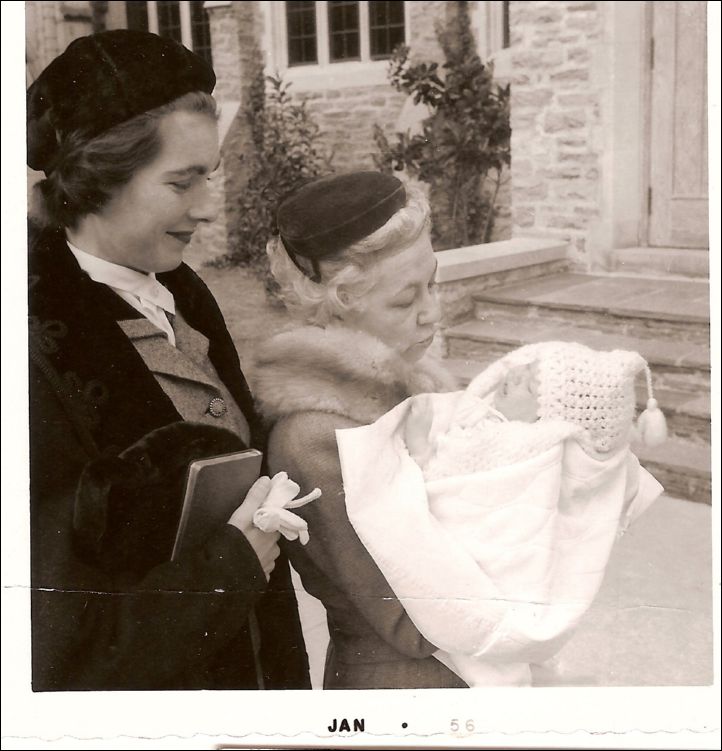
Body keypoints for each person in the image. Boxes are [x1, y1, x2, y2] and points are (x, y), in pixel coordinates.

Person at [27, 29, 309, 691]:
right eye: (182, 183)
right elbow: (56, 647)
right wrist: (232, 565)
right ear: (99, 177)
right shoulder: (38, 352)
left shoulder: (182, 291)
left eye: (207, 178)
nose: (208, 208)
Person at [337, 340, 666, 686]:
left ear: (550, 419)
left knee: (485, 647)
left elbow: (444, 481)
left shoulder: (515, 444)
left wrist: (419, 446)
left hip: (492, 568)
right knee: (500, 668)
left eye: (529, 384)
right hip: (510, 571)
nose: (513, 374)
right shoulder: (510, 427)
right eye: (522, 367)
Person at [251, 171, 467, 689]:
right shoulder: (317, 436)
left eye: (432, 283)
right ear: (338, 303)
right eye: (404, 299)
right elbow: (415, 622)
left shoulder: (416, 388)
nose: (431, 313)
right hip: (403, 692)